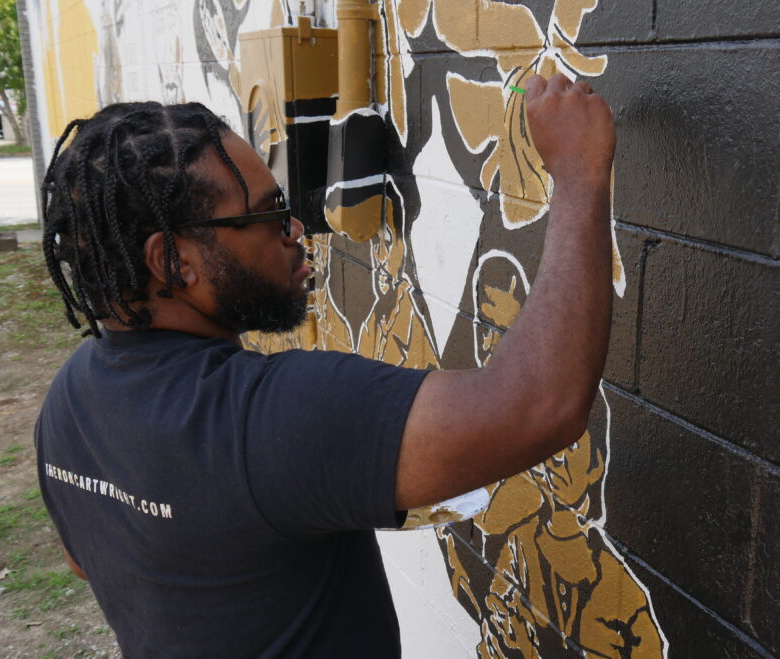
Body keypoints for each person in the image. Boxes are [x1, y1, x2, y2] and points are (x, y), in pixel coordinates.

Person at [34, 73, 615, 657]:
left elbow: (85, 560)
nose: (293, 229)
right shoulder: (271, 418)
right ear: (173, 262)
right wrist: (578, 172)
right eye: (265, 214)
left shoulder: (67, 400)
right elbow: (540, 404)